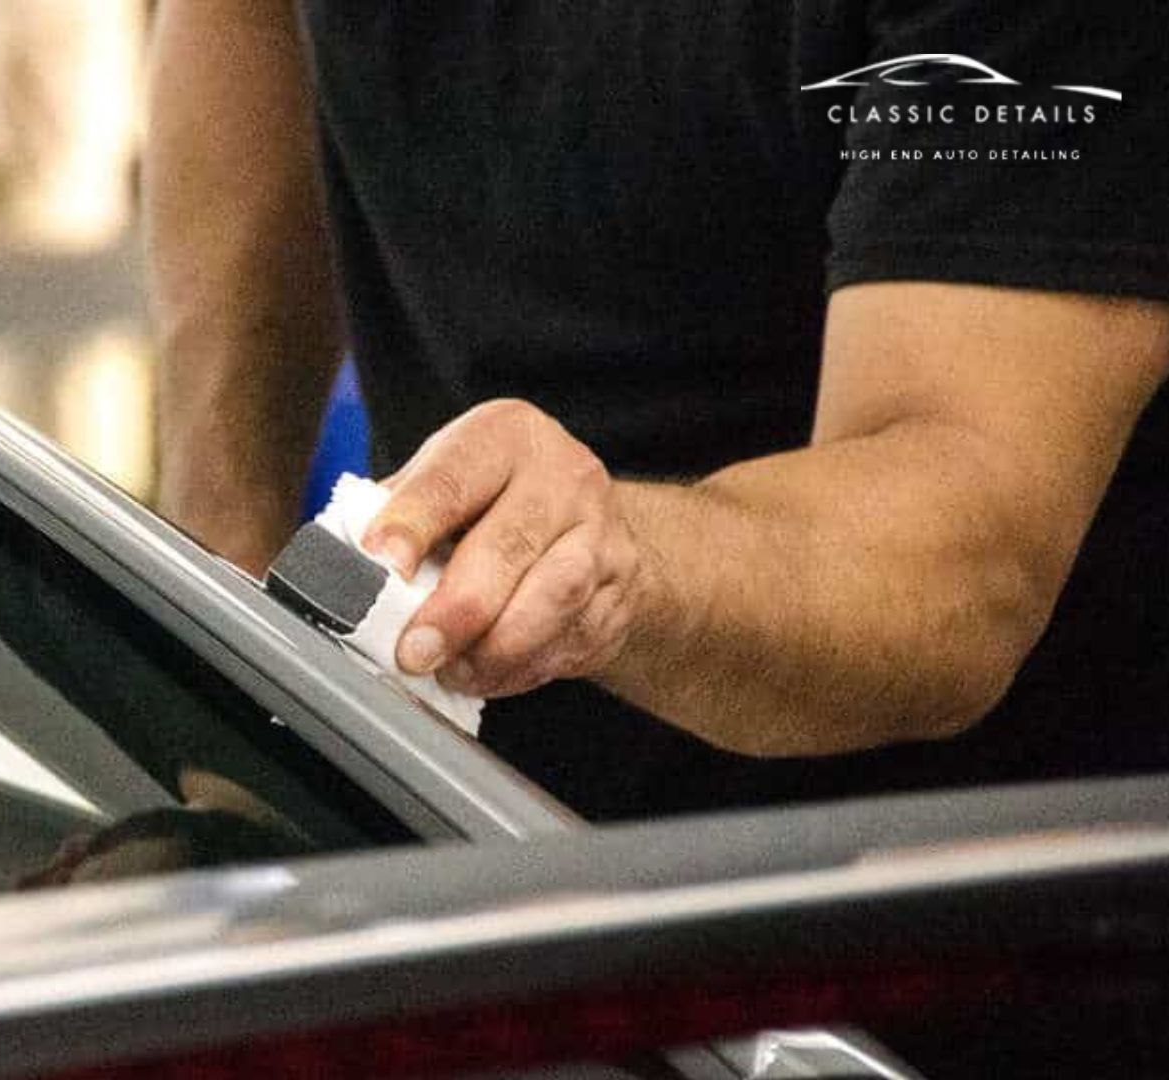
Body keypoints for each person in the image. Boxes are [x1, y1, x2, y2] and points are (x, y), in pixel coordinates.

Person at [147, 2, 1169, 820]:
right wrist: (220, 636)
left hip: (948, 918)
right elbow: (247, 19)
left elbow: (964, 553)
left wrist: (613, 561)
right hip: (451, 842)